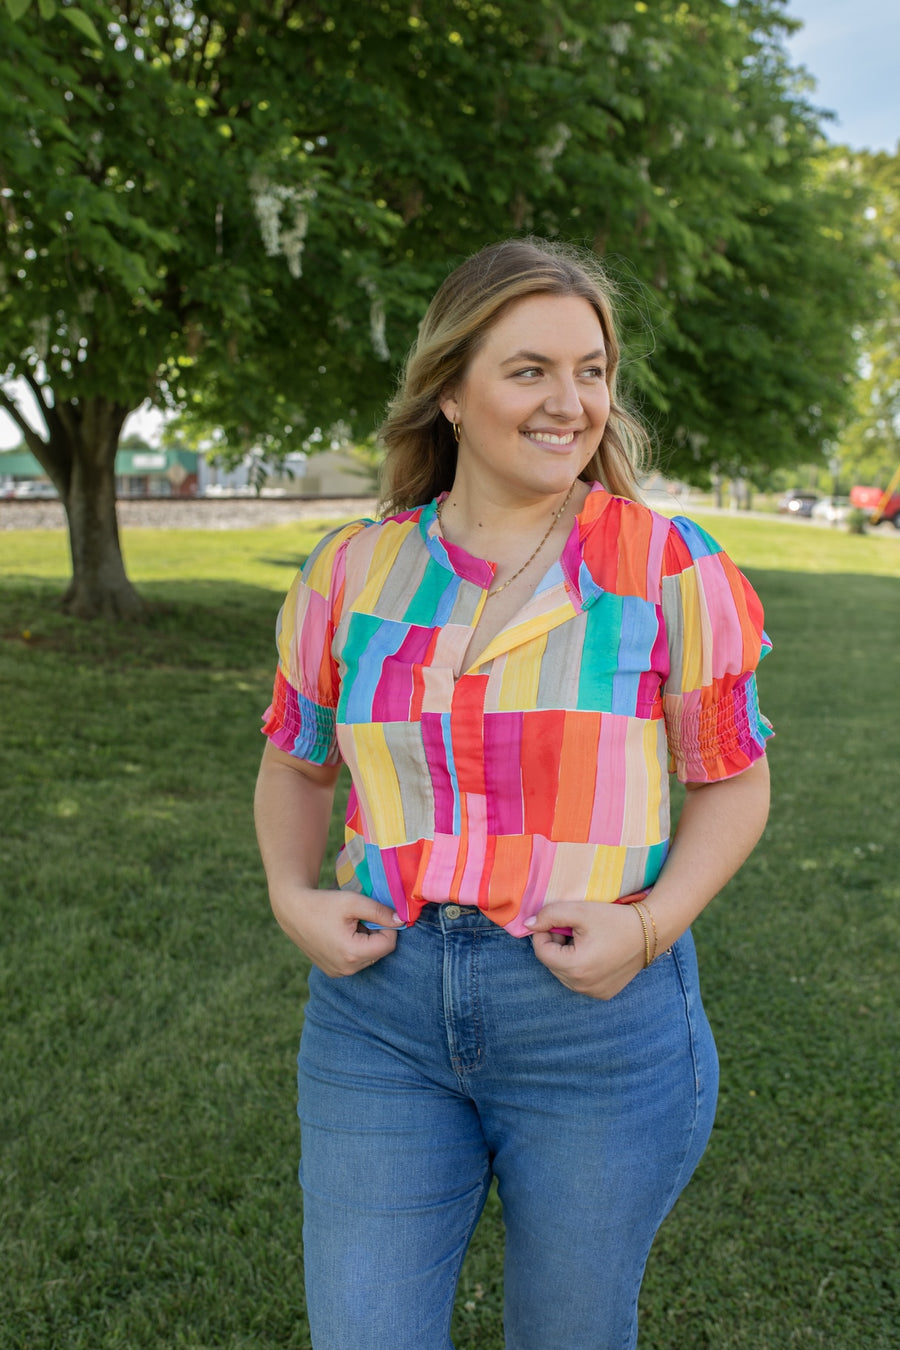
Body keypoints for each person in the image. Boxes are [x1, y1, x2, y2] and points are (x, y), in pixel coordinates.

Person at [254, 237, 773, 1350]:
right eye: (529, 369)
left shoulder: (666, 565)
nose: (570, 401)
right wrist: (291, 897)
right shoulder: (351, 570)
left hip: (595, 1028)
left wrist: (648, 927)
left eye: (590, 370)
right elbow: (297, 761)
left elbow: (733, 782)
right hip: (378, 1022)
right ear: (451, 389)